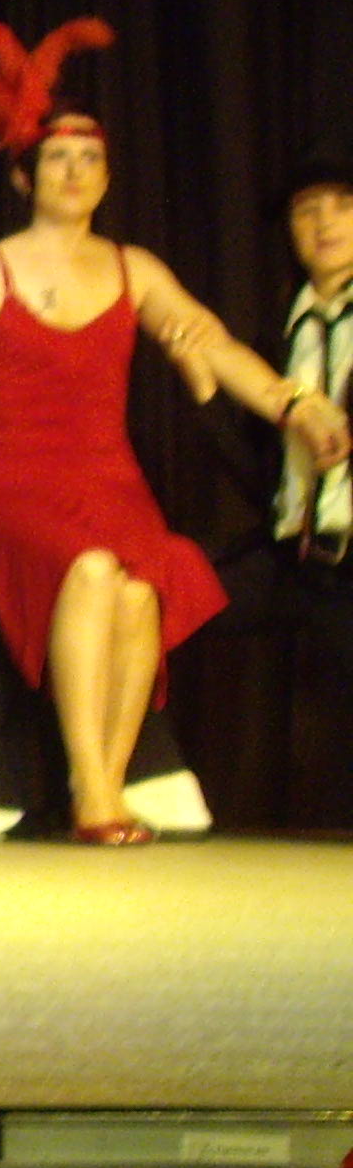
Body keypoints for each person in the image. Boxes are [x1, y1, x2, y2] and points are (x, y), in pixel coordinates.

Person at [0, 56, 337, 841]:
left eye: (90, 158)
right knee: (92, 568)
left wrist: (295, 405)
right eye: (58, 158)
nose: (75, 171)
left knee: (142, 588)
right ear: (25, 176)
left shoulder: (133, 268)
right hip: (18, 480)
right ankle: (99, 796)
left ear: (107, 176)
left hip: (110, 479)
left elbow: (215, 345)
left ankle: (99, 783)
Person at [167, 144, 353, 798]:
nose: (324, 223)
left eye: (343, 206)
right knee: (158, 602)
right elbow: (259, 478)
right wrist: (206, 392)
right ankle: (142, 774)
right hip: (294, 556)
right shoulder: (281, 330)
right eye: (307, 211)